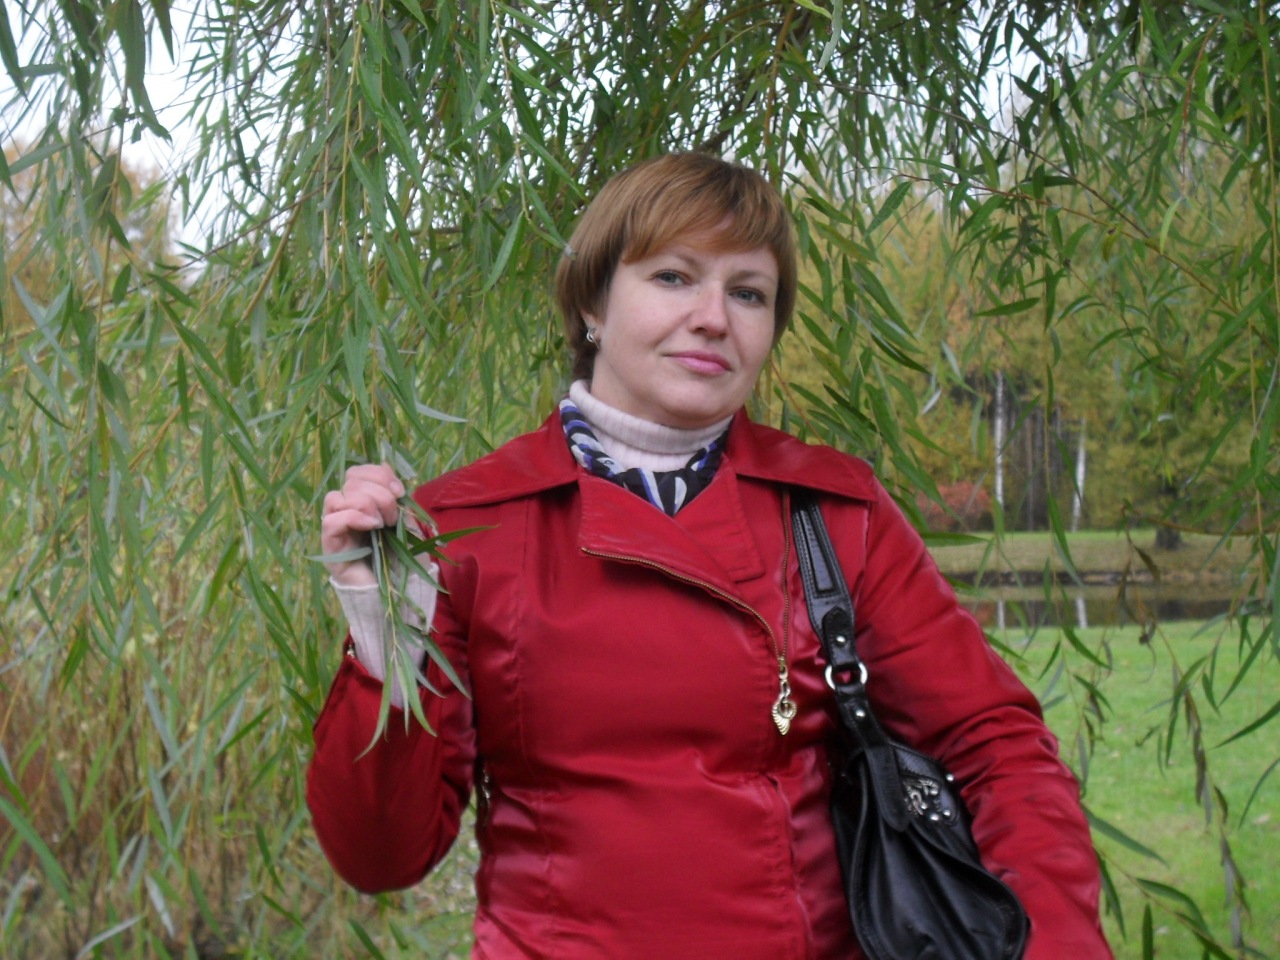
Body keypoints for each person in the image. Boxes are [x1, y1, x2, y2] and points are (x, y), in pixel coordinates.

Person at [306, 152, 1113, 959]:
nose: (713, 318)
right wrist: (385, 630)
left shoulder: (834, 510)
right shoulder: (465, 525)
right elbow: (381, 855)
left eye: (748, 293)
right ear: (592, 302)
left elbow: (998, 748)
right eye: (673, 277)